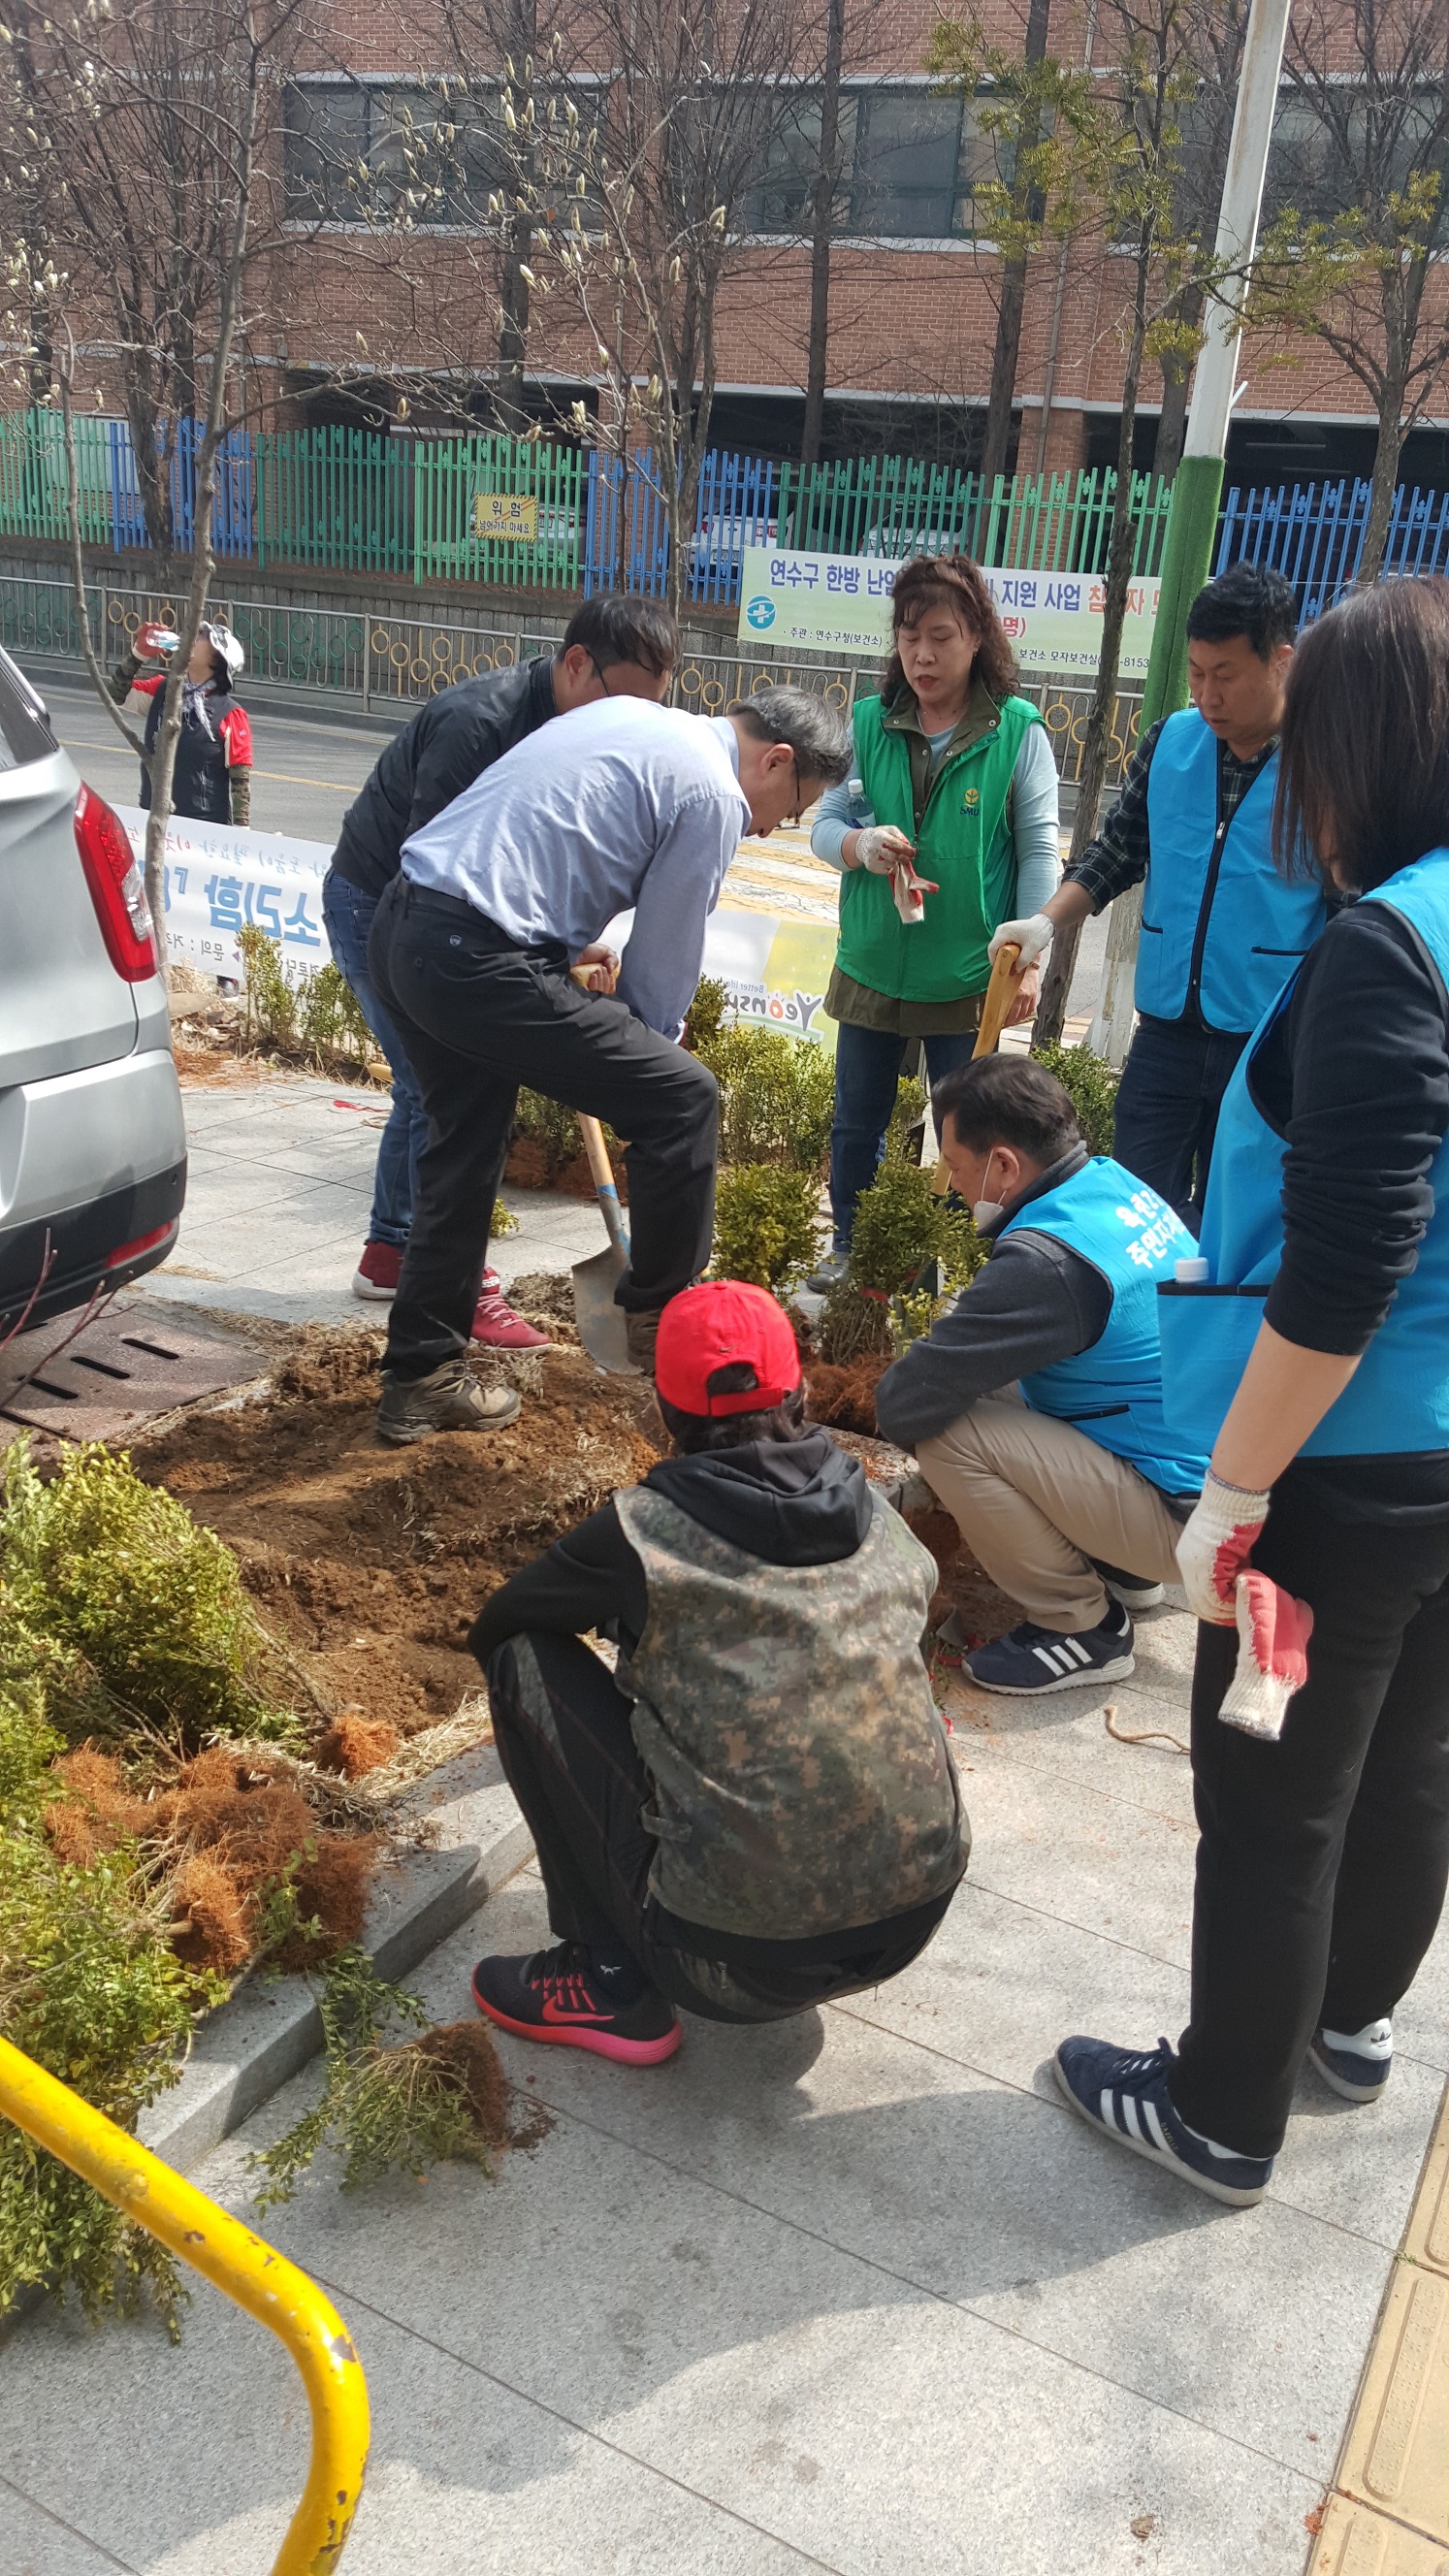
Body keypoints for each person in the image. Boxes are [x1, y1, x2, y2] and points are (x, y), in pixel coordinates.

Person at [1054, 574, 1449, 2209]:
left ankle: (1218, 2112)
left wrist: (1230, 1496)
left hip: (1326, 1487)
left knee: (1271, 1777)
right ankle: (1346, 2026)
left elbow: (1347, 1260)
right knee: (1414, 1757)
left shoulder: (1382, 946)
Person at [467, 1278, 969, 2061]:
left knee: (521, 1663)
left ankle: (603, 1979)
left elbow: (499, 1627)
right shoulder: (878, 1518)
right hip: (914, 1922)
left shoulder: (644, 1535)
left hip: (729, 1971)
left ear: (664, 1411)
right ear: (800, 1391)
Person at [368, 685, 852, 1445]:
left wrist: (559, 948)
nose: (767, 830)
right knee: (684, 1100)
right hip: (477, 958)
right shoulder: (714, 793)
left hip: (408, 930)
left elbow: (531, 837)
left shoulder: (632, 718)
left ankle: (420, 1381)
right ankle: (660, 1322)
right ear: (777, 760)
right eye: (786, 811)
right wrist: (654, 1052)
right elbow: (664, 960)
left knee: (463, 1152)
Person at [324, 594, 680, 1350]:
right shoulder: (477, 723)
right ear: (577, 663)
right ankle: (458, 1283)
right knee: (441, 1089)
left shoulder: (572, 721)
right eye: (628, 702)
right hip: (379, 902)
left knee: (429, 1090)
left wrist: (555, 943)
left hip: (448, 919)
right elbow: (437, 867)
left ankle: (392, 1250)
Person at [991, 564, 1328, 1222]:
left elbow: (1348, 908)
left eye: (1224, 675)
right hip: (1166, 1039)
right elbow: (1117, 851)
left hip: (1266, 1044)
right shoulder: (1170, 742)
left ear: (1281, 661)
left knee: (1240, 1222)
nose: (1206, 695)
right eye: (1197, 674)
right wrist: (1043, 923)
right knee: (1139, 1215)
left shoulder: (1325, 762)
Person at [874, 1054, 1208, 1695]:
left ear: (1002, 1165)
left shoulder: (1049, 1265)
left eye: (957, 1167)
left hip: (1186, 1523)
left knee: (950, 1432)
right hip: (1210, 1479)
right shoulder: (1109, 1186)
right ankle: (1122, 1564)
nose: (954, 1187)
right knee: (1004, 1380)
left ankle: (1081, 1626)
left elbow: (906, 1405)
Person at [807, 552, 1060, 1287]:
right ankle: (852, 1250)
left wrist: (1031, 958)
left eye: (941, 636)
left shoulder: (1018, 733)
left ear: (977, 636)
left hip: (968, 973)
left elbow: (1041, 849)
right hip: (872, 961)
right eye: (909, 635)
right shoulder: (866, 722)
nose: (921, 654)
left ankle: (944, 1264)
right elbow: (827, 823)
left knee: (969, 1134)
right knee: (857, 1121)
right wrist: (860, 844)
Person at [108, 619, 252, 826]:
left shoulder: (231, 713)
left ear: (218, 658)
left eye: (203, 637)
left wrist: (241, 831)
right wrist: (138, 655)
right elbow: (115, 694)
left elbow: (240, 779)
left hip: (204, 826)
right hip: (155, 817)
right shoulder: (162, 690)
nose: (193, 636)